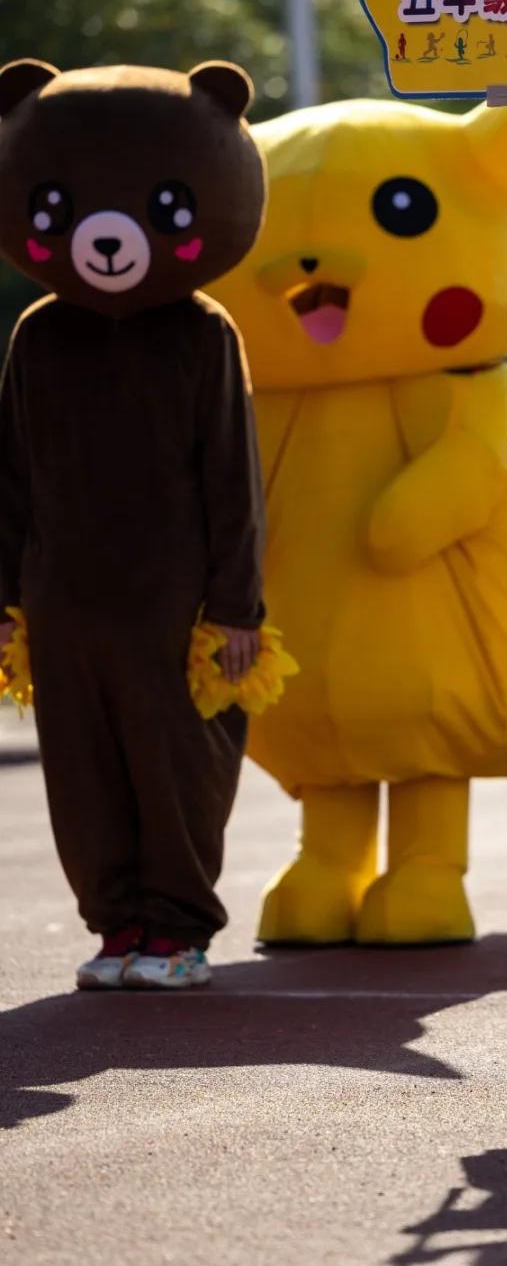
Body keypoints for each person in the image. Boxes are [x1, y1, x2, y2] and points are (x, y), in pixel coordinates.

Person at [0, 58, 268, 992]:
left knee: (178, 764)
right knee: (80, 772)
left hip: (176, 599)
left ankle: (179, 929)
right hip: (63, 597)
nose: (106, 237)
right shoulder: (40, 333)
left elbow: (234, 479)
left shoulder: (203, 332)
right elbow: (10, 475)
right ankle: (117, 923)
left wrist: (237, 607)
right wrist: (7, 599)